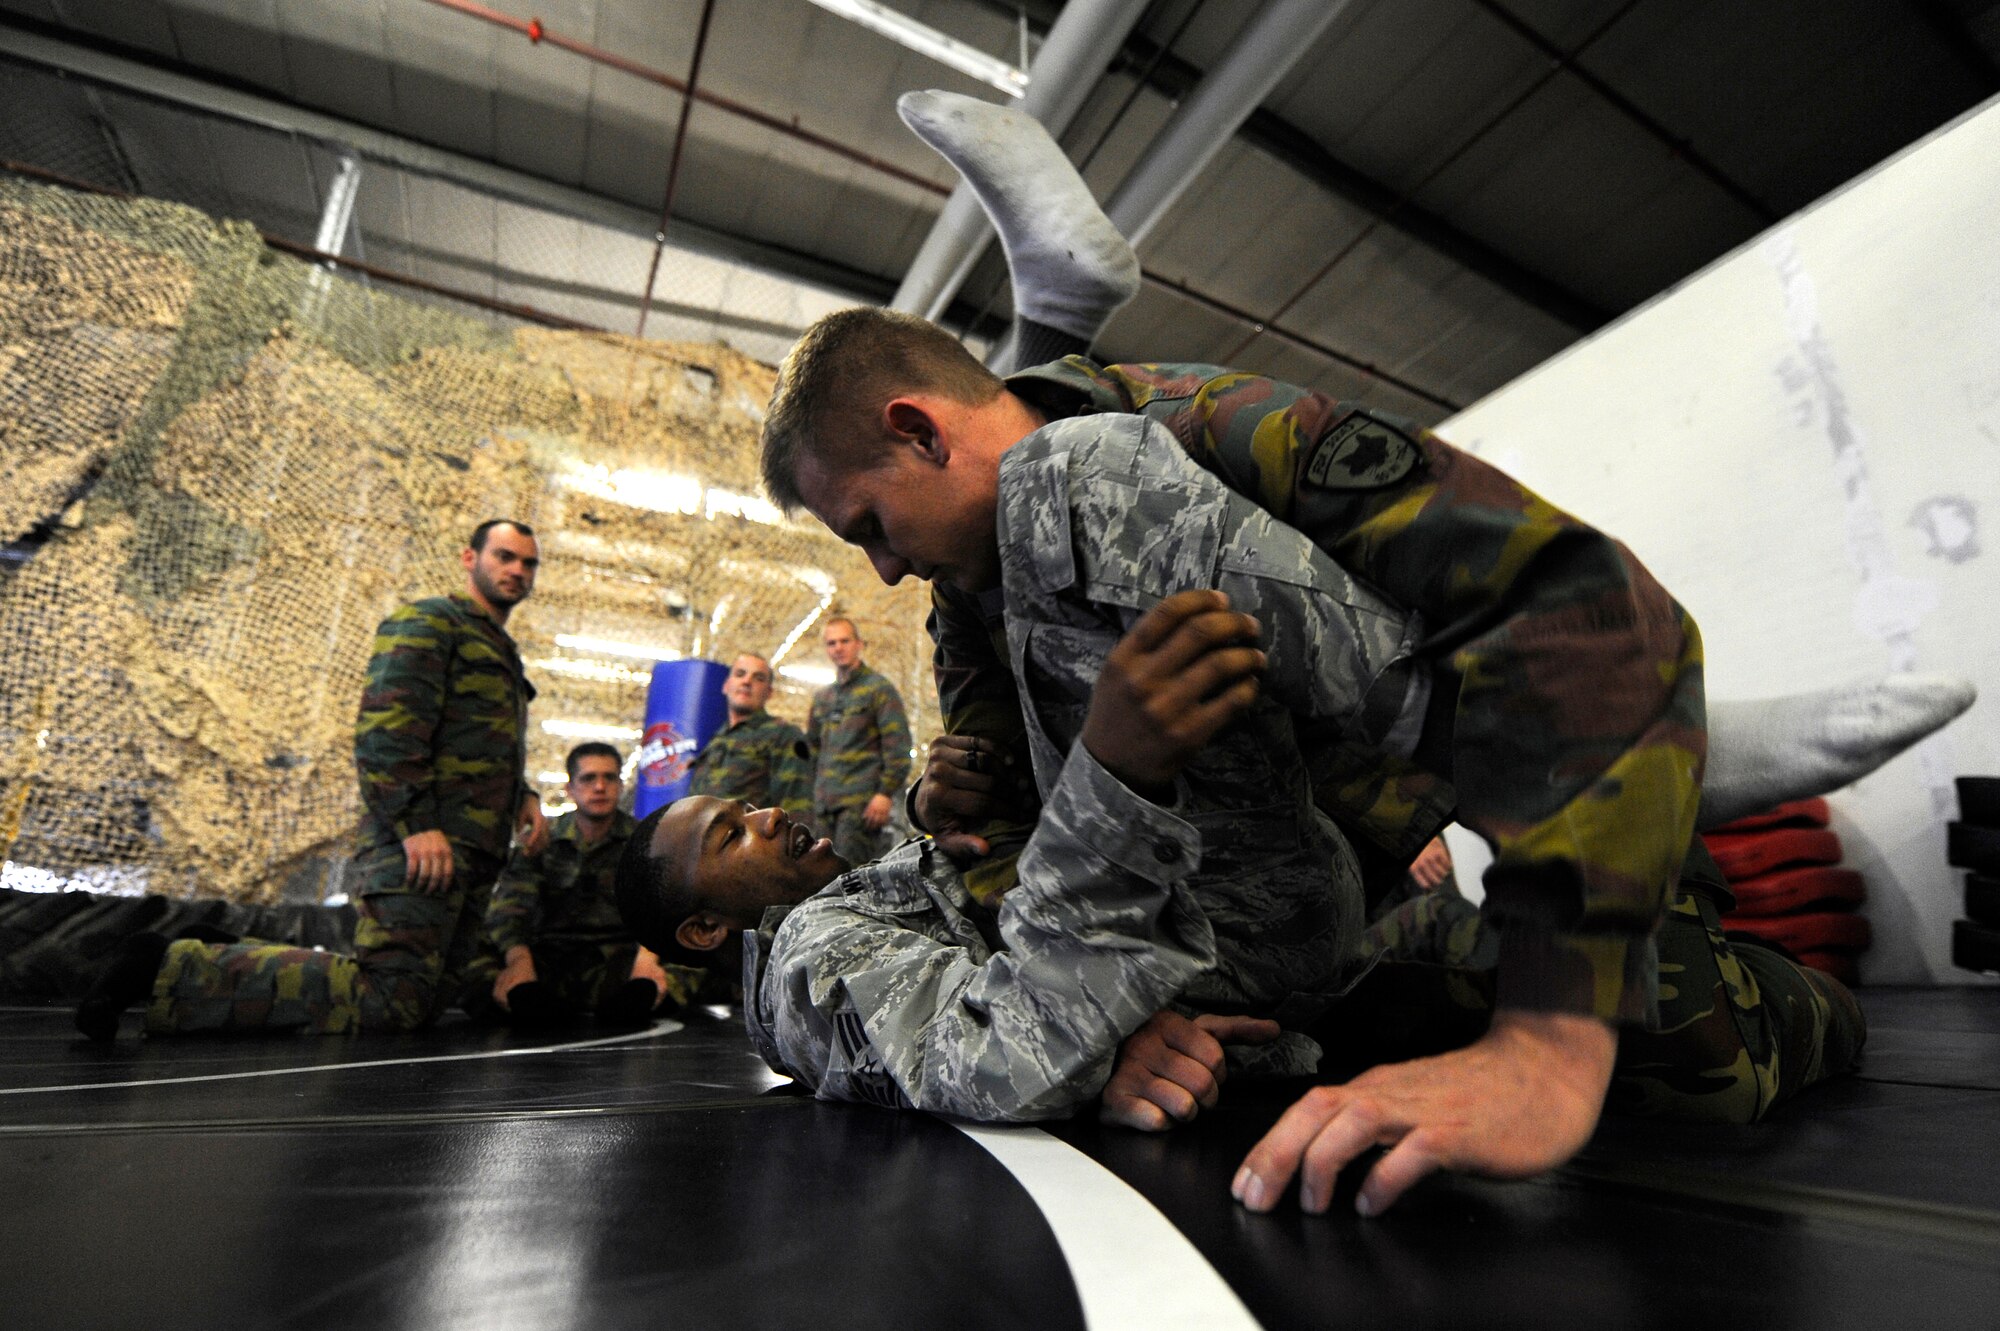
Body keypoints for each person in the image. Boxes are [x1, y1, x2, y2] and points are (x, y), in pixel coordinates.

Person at [755, 304, 1876, 1214]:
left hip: (1414, 824)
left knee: (1693, 1063)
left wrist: (1546, 1038)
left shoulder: (1215, 434)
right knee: (1377, 1057)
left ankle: (1707, 907)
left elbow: (1594, 611)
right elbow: (997, 829)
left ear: (918, 429)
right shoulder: (969, 587)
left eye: (867, 525)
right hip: (1256, 932)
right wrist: (1100, 1009)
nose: (886, 569)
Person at [618, 591, 1287, 1119]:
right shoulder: (805, 959)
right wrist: (1110, 778)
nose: (769, 815)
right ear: (705, 928)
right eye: (732, 836)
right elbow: (996, 1053)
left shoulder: (830, 907)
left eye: (746, 808)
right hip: (1233, 936)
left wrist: (924, 810)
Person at [76, 519, 549, 1038]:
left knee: (423, 1004)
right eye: (504, 556)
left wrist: (523, 796)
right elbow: (384, 733)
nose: (516, 571)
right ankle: (168, 964)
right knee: (388, 1003)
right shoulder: (430, 623)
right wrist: (414, 824)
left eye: (527, 563)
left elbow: (483, 743)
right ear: (469, 558)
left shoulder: (501, 650)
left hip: (473, 852)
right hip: (421, 846)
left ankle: (218, 953)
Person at [467, 742, 683, 1028]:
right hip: (550, 958)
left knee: (695, 953)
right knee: (470, 953)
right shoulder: (543, 840)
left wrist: (647, 962)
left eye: (609, 778)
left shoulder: (646, 840)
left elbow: (663, 906)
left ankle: (640, 996)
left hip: (620, 957)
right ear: (571, 789)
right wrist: (519, 961)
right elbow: (508, 909)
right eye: (588, 778)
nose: (599, 787)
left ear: (620, 785)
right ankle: (529, 999)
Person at [805, 618, 912, 865]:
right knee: (818, 876)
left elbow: (898, 746)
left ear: (859, 644)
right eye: (831, 643)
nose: (838, 648)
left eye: (845, 641)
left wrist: (884, 794)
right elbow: (812, 751)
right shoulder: (823, 697)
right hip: (823, 807)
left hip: (860, 807)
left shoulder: (879, 690)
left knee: (850, 878)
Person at [688, 653, 814, 823]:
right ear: (726, 686)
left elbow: (797, 807)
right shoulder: (716, 740)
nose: (747, 682)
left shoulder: (784, 735)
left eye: (759, 678)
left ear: (769, 693)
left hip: (748, 844)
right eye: (740, 674)